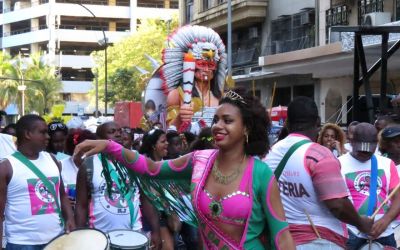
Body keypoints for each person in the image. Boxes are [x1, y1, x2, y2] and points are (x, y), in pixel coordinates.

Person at [74, 89, 296, 249]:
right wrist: (110, 147)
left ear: (246, 127)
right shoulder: (199, 161)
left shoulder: (261, 174)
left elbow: (282, 237)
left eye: (227, 121)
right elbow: (151, 168)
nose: (218, 125)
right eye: (216, 119)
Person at [264, 96, 372, 249]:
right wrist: (361, 223)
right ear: (317, 123)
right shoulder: (318, 154)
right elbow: (337, 205)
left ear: (287, 123)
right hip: (318, 241)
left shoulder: (270, 153)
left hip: (279, 241)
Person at [74, 122, 161, 249]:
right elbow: (81, 206)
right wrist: (79, 236)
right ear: (99, 139)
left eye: (120, 131)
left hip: (134, 236)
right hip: (100, 237)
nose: (118, 134)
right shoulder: (88, 165)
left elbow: (146, 199)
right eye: (112, 131)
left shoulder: (134, 162)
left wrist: (156, 231)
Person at [0, 114, 75, 249]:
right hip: (22, 243)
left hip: (56, 240)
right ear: (28, 134)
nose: (48, 137)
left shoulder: (52, 160)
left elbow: (62, 194)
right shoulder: (6, 167)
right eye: (43, 132)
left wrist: (70, 218)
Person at [338, 122, 400, 249]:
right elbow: (337, 201)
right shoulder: (338, 164)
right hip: (351, 233)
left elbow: (398, 197)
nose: (364, 153)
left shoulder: (387, 164)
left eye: (369, 150)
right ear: (351, 141)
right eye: (361, 148)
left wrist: (385, 220)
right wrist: (358, 222)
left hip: (384, 233)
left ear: (376, 144)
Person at [162, 25, 227, 132]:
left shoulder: (221, 96)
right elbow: (170, 130)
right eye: (201, 64)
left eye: (210, 65)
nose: (206, 69)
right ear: (191, 65)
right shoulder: (176, 94)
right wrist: (180, 117)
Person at [61, 129, 96, 208]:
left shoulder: (98, 166)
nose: (90, 153)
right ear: (74, 150)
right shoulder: (60, 166)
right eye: (86, 150)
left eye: (92, 149)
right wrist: (63, 201)